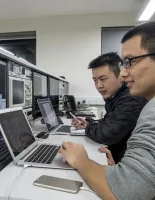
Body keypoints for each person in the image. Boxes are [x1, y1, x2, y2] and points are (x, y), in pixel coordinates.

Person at [60, 21, 155, 200]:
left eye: (129, 62)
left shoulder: (138, 102)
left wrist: (81, 160)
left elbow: (127, 191)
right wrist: (119, 164)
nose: (124, 73)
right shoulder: (118, 99)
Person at [72, 52, 147, 163]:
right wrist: (89, 123)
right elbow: (109, 121)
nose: (99, 86)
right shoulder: (113, 96)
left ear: (121, 76)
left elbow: (106, 134)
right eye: (95, 80)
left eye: (103, 79)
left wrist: (88, 128)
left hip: (128, 163)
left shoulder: (131, 99)